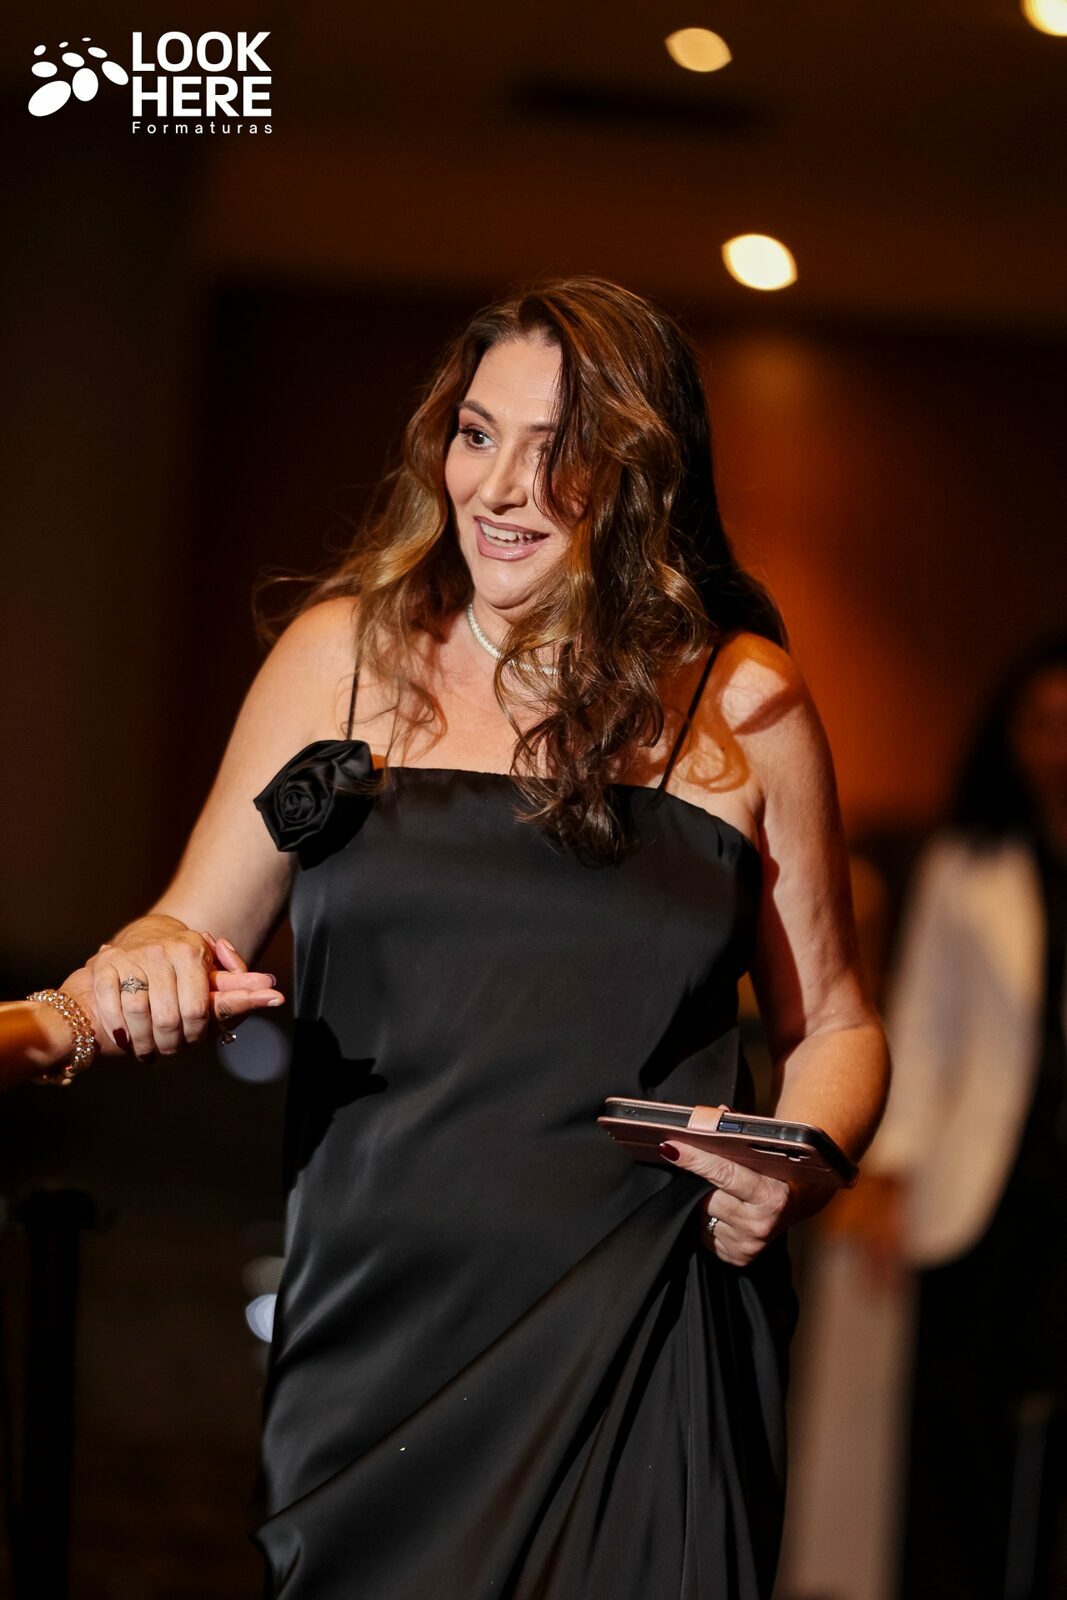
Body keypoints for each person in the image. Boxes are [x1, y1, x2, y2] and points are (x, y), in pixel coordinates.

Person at [48, 276, 889, 1599]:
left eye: (555, 451)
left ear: (642, 476)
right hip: (374, 1331)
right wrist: (141, 963)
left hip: (641, 1322)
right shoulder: (342, 657)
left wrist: (799, 1163)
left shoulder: (739, 701)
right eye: (477, 433)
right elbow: (183, 923)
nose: (496, 487)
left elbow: (832, 1020)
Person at [861, 631, 1067, 1600]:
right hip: (983, 1184)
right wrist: (892, 1176)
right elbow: (923, 1027)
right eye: (1041, 723)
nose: (1057, 745)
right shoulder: (963, 861)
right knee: (958, 1433)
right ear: (1008, 734)